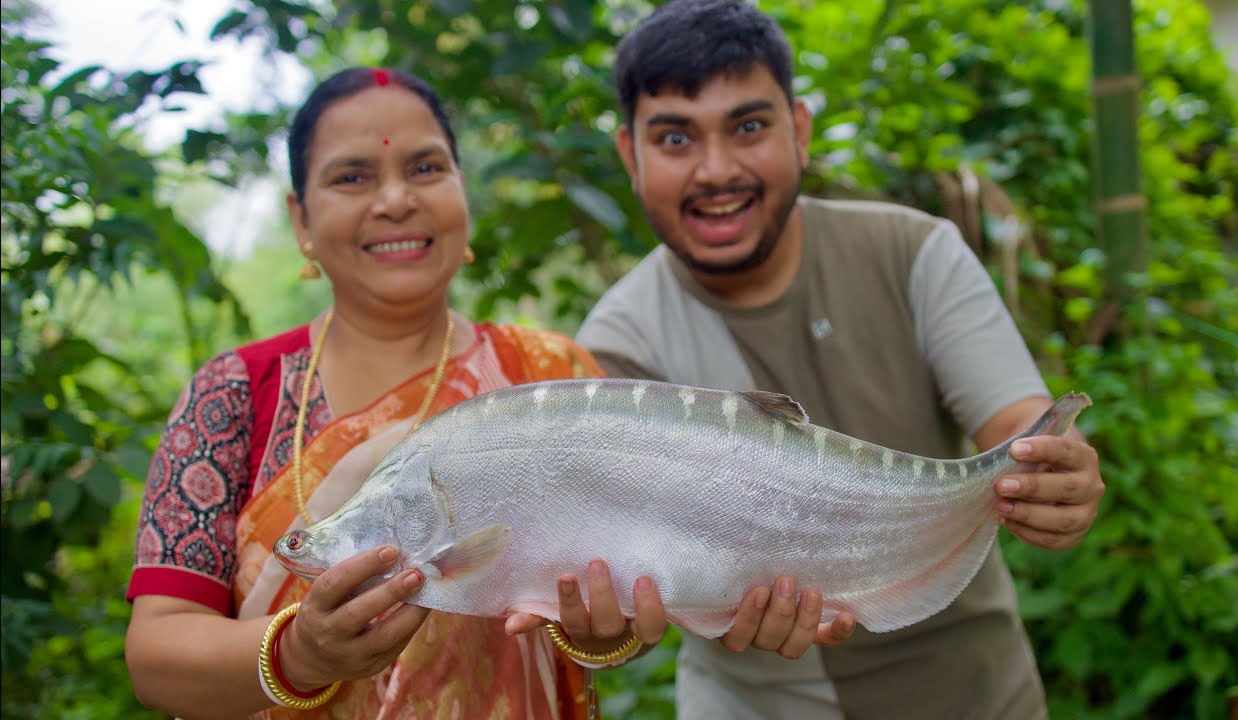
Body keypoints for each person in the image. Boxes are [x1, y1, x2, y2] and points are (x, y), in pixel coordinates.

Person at [124, 66, 847, 720]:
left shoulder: (553, 377)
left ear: (461, 191)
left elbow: (619, 616)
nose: (397, 199)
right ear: (301, 220)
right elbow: (156, 656)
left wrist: (604, 636)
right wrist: (299, 656)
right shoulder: (234, 394)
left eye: (426, 167)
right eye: (352, 178)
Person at [576, 2, 1106, 718]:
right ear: (629, 156)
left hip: (979, 695)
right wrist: (600, 633)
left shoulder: (916, 254)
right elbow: (621, 594)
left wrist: (1056, 479)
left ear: (799, 129)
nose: (716, 169)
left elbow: (1019, 430)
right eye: (675, 137)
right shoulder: (613, 345)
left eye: (749, 127)